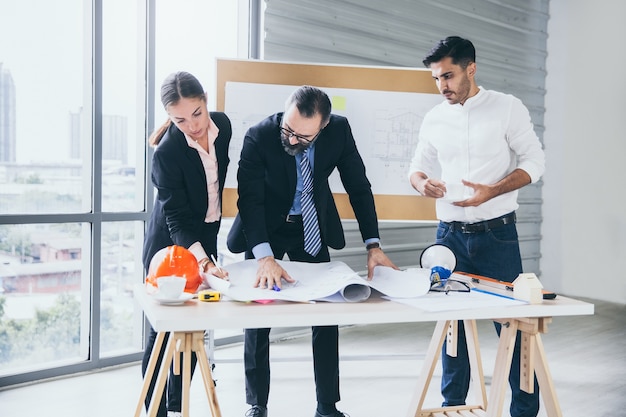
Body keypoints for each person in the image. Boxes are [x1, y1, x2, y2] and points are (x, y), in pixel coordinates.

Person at [227, 85, 398, 417]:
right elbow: (250, 200)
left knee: (326, 311)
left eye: (303, 137)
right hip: (265, 228)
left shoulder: (339, 132)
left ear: (324, 125)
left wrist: (373, 244)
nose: (292, 141)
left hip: (310, 226)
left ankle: (327, 407)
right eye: (288, 131)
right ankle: (256, 404)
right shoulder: (259, 135)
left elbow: (359, 187)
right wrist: (264, 257)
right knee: (259, 313)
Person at [407, 36, 546, 417]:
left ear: (471, 68)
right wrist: (423, 183)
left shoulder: (507, 108)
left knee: (515, 330)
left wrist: (494, 190)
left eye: (448, 75)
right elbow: (416, 168)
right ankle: (453, 406)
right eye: (436, 78)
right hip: (448, 237)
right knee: (453, 328)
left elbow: (535, 161)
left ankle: (523, 412)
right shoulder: (434, 117)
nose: (442, 86)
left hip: (497, 234)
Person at [141, 71, 231, 417]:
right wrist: (204, 262)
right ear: (169, 117)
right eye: (179, 119)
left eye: (196, 113)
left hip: (204, 240)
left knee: (194, 327)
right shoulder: (166, 154)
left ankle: (179, 406)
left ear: (205, 100)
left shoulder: (223, 127)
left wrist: (208, 256)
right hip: (169, 249)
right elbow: (176, 220)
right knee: (162, 334)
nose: (192, 125)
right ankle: (157, 412)